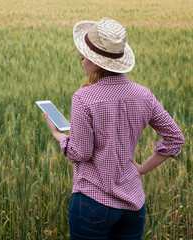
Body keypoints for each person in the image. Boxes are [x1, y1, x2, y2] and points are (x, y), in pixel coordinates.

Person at [43, 18, 185, 239]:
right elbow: (175, 138)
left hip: (92, 203)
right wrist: (142, 169)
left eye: (83, 57)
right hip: (133, 205)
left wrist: (58, 135)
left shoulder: (83, 98)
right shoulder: (144, 95)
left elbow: (81, 152)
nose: (82, 62)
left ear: (95, 62)